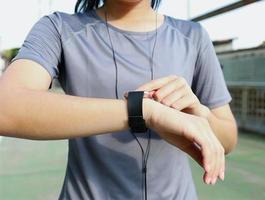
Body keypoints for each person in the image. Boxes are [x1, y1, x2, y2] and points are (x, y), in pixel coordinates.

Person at [0, 0, 238, 199]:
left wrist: (199, 113)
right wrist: (145, 112)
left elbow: (227, 138)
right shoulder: (60, 28)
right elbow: (5, 106)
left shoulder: (192, 37)